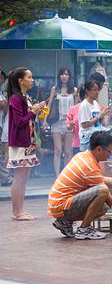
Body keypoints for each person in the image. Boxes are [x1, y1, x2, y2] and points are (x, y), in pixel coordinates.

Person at [48, 131, 112, 240]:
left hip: (59, 204)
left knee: (102, 208)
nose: (110, 154)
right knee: (102, 191)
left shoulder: (83, 156)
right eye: (109, 151)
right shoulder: (89, 165)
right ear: (99, 149)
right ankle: (84, 229)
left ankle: (65, 221)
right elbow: (106, 194)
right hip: (61, 205)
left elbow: (100, 179)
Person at [6, 68, 46, 220]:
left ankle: (20, 211)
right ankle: (17, 212)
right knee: (20, 177)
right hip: (20, 143)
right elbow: (19, 122)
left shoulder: (25, 97)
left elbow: (28, 120)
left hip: (28, 141)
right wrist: (33, 111)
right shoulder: (16, 98)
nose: (32, 80)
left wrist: (37, 111)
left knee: (24, 177)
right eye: (29, 77)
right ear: (20, 81)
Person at [46, 67, 77, 177]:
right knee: (58, 150)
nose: (64, 76)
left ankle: (66, 175)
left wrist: (75, 121)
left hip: (69, 122)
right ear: (59, 76)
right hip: (56, 122)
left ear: (69, 76)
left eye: (67, 74)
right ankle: (57, 175)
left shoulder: (74, 90)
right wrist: (45, 120)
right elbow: (49, 104)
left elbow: (76, 107)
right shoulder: (55, 89)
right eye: (62, 74)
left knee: (68, 151)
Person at [79, 80, 112, 151]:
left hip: (98, 136)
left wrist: (106, 115)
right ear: (87, 91)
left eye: (98, 90)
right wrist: (98, 116)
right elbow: (84, 124)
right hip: (88, 138)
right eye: (94, 90)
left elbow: (103, 124)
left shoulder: (96, 103)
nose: (97, 92)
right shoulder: (84, 105)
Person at [66, 84, 85, 156]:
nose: (82, 96)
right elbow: (68, 126)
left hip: (91, 144)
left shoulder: (94, 107)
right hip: (77, 144)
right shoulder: (73, 109)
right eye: (80, 93)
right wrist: (70, 125)